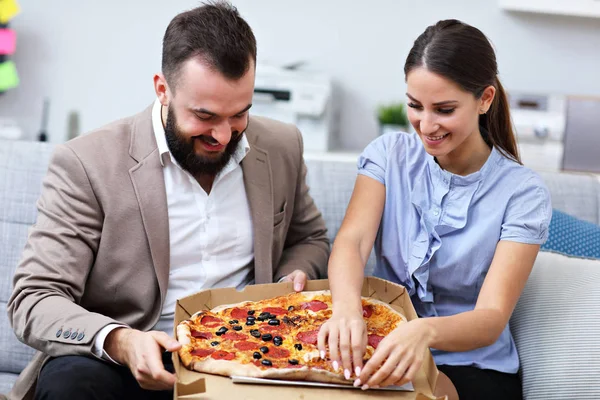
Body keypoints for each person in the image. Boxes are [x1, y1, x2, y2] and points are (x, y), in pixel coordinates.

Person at [7, 3, 329, 399]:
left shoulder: (281, 146)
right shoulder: (86, 163)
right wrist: (120, 341)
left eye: (240, 114)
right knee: (70, 385)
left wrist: (288, 280)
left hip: (246, 362)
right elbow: (35, 297)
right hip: (129, 358)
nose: (225, 136)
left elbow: (308, 239)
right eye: (205, 116)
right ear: (163, 89)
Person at [317, 19, 551, 400]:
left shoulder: (523, 193)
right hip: (382, 348)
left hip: (474, 366)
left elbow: (491, 318)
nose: (426, 125)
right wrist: (345, 308)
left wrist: (421, 332)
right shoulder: (388, 156)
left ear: (485, 99)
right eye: (414, 105)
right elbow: (353, 242)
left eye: (444, 109)